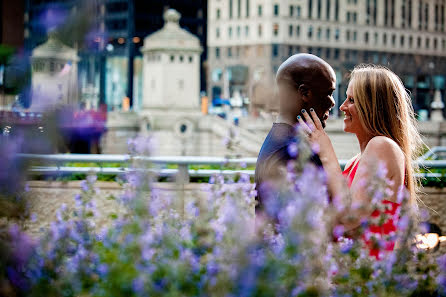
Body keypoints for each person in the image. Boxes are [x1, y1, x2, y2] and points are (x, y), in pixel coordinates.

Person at [298, 64, 423, 258]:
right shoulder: (355, 161)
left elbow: (348, 218)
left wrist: (326, 151)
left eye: (352, 100)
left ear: (373, 107)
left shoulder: (382, 146)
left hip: (367, 277)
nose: (342, 107)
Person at [254, 53, 336, 214]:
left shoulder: (280, 142)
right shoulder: (292, 151)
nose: (333, 103)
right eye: (329, 93)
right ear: (305, 93)